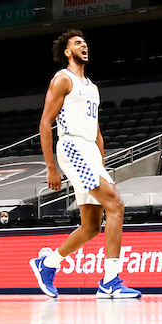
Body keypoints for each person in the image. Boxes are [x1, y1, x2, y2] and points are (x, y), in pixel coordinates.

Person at [31, 30, 141, 299]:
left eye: (85, 42)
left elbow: (97, 130)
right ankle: (110, 281)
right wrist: (50, 167)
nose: (84, 45)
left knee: (91, 225)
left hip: (90, 150)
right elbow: (45, 123)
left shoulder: (92, 87)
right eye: (77, 43)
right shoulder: (62, 79)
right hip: (72, 147)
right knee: (115, 205)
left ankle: (47, 264)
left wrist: (101, 162)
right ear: (67, 52)